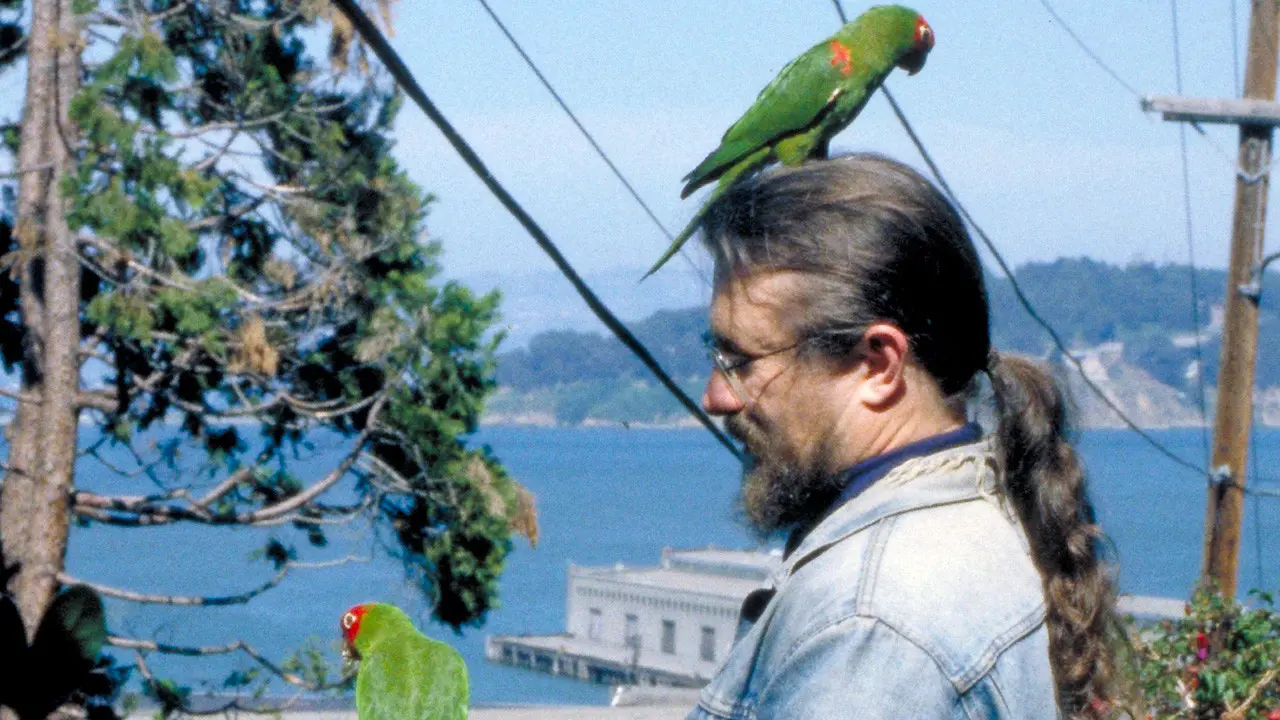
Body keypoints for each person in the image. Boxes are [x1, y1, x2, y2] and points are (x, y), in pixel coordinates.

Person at [687, 154, 1117, 719]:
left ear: (878, 364)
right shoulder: (984, 522)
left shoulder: (871, 626)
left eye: (740, 360)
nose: (715, 396)